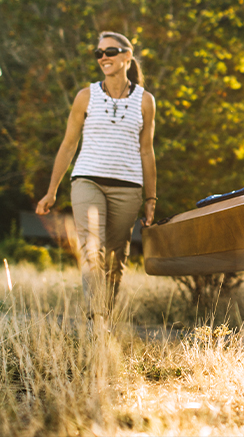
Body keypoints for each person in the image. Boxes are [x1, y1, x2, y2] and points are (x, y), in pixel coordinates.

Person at [36, 31, 157, 324]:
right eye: (99, 53)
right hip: (87, 180)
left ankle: (106, 314)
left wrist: (151, 198)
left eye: (110, 51)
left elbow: (146, 151)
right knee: (92, 249)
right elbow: (68, 145)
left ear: (127, 57)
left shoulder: (145, 101)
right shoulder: (86, 96)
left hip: (128, 187)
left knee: (116, 259)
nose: (103, 57)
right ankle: (96, 321)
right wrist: (52, 190)